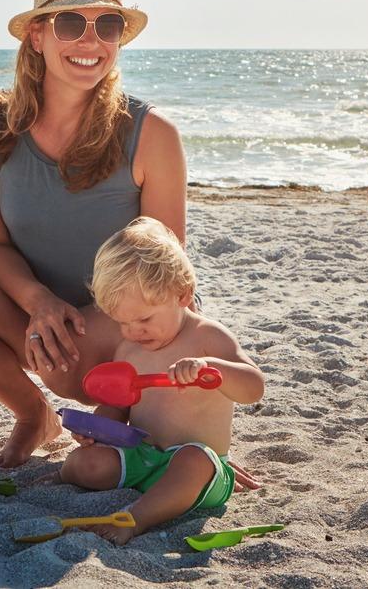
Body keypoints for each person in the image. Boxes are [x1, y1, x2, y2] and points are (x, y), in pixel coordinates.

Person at [0, 0, 260, 489]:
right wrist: (39, 302)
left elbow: (161, 268)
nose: (90, 41)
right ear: (38, 36)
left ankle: (174, 445)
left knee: (115, 380)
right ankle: (33, 416)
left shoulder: (153, 133)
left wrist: (100, 327)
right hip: (34, 314)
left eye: (107, 25)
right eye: (71, 23)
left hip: (125, 326)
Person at [58, 217, 265, 544]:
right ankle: (68, 475)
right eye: (122, 322)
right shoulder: (129, 348)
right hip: (143, 458)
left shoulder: (208, 338)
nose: (133, 331)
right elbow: (118, 405)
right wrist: (96, 431)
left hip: (200, 467)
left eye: (144, 319)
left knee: (192, 461)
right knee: (84, 464)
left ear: (182, 295)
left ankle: (136, 518)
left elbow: (254, 387)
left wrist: (210, 367)